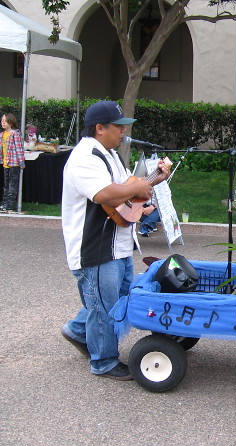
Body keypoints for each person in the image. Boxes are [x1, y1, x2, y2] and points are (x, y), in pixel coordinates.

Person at [60, 100, 170, 380]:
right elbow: (105, 195)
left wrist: (154, 179)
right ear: (99, 128)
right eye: (118, 127)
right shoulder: (85, 157)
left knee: (117, 298)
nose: (123, 132)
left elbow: (128, 193)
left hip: (117, 244)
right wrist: (137, 187)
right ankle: (104, 361)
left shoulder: (109, 154)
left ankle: (76, 330)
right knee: (104, 306)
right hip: (94, 247)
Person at [1, 113, 26, 212]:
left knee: (12, 186)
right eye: (2, 121)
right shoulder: (2, 134)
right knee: (6, 186)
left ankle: (10, 205)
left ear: (10, 122)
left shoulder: (15, 134)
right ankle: (5, 203)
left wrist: (21, 162)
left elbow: (19, 148)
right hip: (5, 164)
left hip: (14, 163)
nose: (2, 123)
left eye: (4, 121)